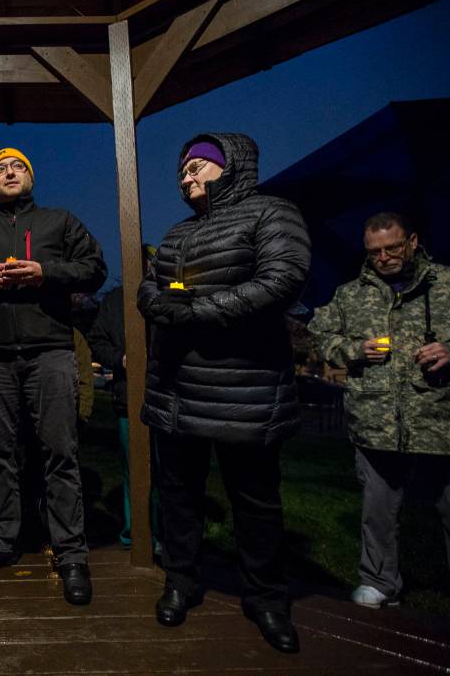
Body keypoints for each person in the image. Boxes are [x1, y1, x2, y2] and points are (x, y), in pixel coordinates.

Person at [138, 134, 309, 653]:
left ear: (229, 165)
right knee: (180, 495)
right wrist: (157, 303)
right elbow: (152, 282)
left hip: (246, 388)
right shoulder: (177, 233)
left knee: (254, 500)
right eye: (182, 173)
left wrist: (199, 311)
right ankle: (181, 581)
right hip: (180, 390)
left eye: (196, 168)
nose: (186, 178)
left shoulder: (271, 213)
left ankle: (265, 597)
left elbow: (283, 278)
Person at [308, 211, 450, 641]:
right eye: (374, 251)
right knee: (378, 511)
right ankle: (379, 582)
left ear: (413, 241)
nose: (384, 257)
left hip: (449, 424)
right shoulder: (350, 294)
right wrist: (355, 349)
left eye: (393, 247)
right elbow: (320, 336)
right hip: (376, 425)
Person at [0, 147, 107, 606]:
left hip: (50, 351)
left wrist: (45, 272)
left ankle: (71, 553)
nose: (8, 173)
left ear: (31, 177)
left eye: (17, 167)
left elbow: (95, 268)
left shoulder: (59, 221)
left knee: (60, 452)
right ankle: (0, 542)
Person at [87, 243, 160, 552]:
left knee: (167, 468)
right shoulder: (115, 302)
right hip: (128, 399)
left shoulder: (166, 296)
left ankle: (165, 532)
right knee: (135, 468)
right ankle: (137, 531)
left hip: (167, 397)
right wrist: (121, 359)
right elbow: (97, 341)